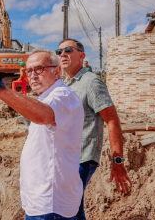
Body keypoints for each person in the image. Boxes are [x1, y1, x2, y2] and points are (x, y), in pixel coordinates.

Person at [0, 45, 84, 220]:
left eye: (39, 69)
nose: (32, 75)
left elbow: (43, 115)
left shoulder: (62, 95)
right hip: (43, 202)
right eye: (28, 70)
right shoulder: (47, 97)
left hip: (51, 205)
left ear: (57, 71)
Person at [56, 39, 131, 220]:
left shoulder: (91, 82)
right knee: (73, 208)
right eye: (59, 52)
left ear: (81, 55)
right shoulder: (68, 85)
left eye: (68, 50)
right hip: (67, 158)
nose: (62, 54)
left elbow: (112, 120)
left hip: (82, 158)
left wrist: (118, 162)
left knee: (67, 208)